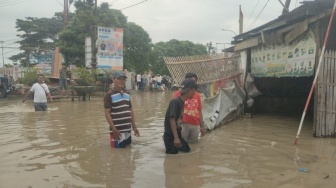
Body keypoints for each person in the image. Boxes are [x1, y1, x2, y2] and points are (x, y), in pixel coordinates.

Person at [104, 71, 140, 148]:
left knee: (127, 153)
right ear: (113, 80)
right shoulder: (109, 94)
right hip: (117, 131)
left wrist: (134, 127)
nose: (121, 81)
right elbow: (107, 113)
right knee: (117, 155)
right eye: (119, 78)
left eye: (123, 79)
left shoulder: (127, 94)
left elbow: (130, 110)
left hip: (127, 130)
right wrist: (114, 129)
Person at [163, 78, 197, 154]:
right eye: (194, 90)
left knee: (186, 150)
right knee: (172, 156)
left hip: (177, 134)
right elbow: (172, 119)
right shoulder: (175, 102)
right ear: (189, 90)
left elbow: (178, 120)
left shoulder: (182, 102)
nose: (195, 93)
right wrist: (176, 138)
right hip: (170, 136)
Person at [173, 73, 205, 143]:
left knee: (194, 145)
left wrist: (202, 126)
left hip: (195, 124)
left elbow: (199, 111)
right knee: (182, 143)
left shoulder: (197, 95)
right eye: (191, 81)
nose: (193, 83)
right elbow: (174, 111)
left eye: (194, 82)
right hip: (183, 123)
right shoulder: (178, 94)